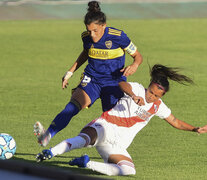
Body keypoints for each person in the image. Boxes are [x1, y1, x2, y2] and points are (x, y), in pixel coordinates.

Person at [36, 64, 207, 176]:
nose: (151, 96)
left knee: (128, 170)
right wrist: (133, 96)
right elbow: (122, 85)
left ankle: (86, 164)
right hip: (106, 126)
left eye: (156, 95)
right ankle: (50, 152)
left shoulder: (158, 106)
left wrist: (195, 129)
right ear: (149, 85)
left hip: (117, 145)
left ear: (161, 96)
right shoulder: (138, 89)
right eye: (151, 91)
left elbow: (175, 121)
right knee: (85, 140)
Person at [33, 1, 143, 147]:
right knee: (72, 107)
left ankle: (115, 151)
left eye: (95, 31)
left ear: (104, 26)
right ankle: (47, 135)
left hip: (114, 83)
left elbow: (138, 56)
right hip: (92, 79)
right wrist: (69, 72)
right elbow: (86, 53)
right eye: (89, 30)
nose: (92, 35)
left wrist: (135, 65)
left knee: (111, 121)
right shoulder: (86, 37)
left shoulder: (118, 36)